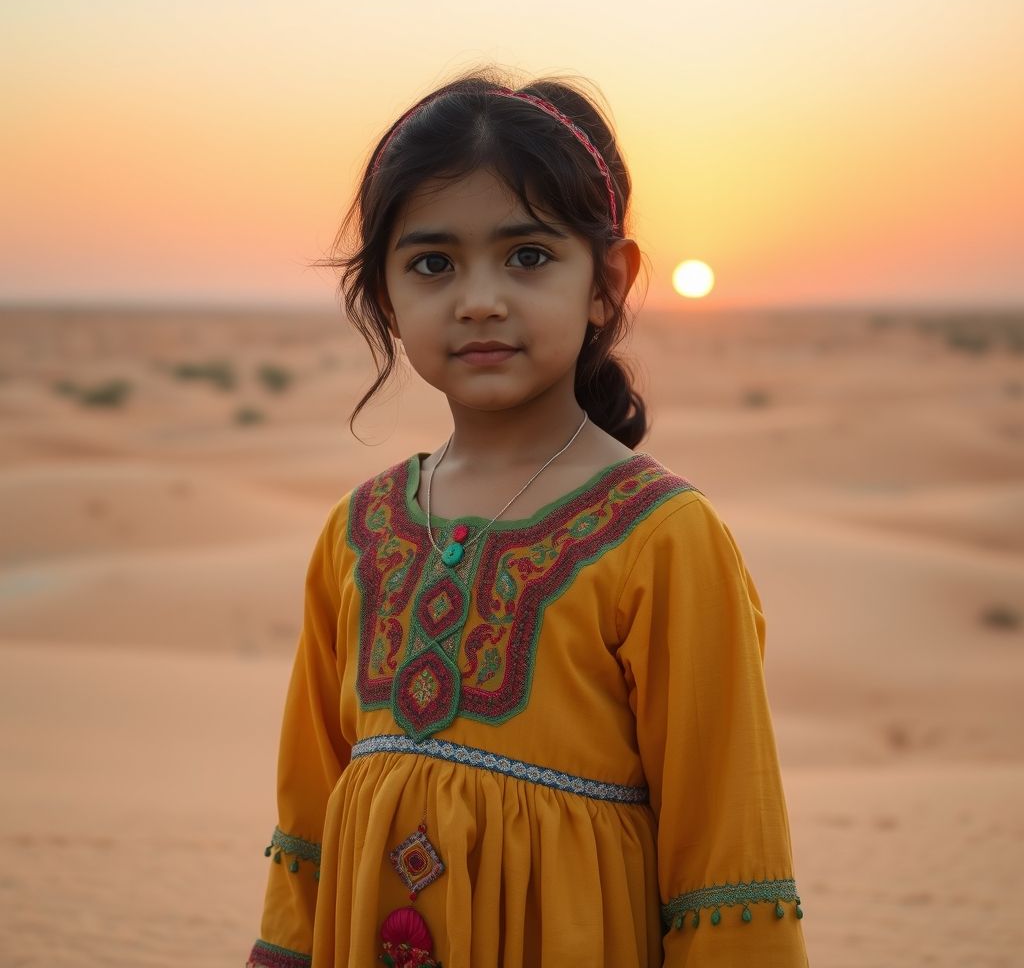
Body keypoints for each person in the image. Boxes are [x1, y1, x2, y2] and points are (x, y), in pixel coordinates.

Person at [246, 66, 808, 968]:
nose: (479, 298)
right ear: (386, 297)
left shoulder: (662, 537)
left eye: (528, 256)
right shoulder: (358, 533)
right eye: (433, 263)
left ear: (606, 283)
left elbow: (728, 854)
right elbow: (308, 811)